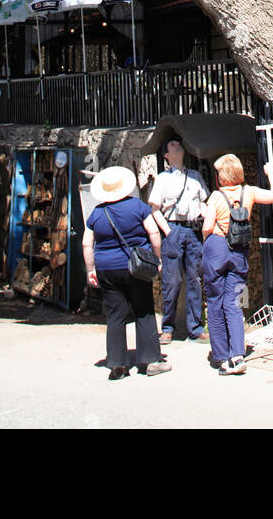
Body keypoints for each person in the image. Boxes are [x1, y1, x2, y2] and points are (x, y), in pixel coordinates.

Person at [82, 166, 171, 380]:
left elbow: (87, 244)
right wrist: (157, 258)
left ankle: (117, 364)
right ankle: (150, 360)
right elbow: (153, 233)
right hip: (135, 267)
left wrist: (90, 270)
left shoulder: (96, 213)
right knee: (144, 310)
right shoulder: (137, 207)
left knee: (115, 315)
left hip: (106, 269)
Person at [200, 153, 273, 376]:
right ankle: (238, 354)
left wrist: (206, 236)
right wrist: (270, 174)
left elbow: (207, 226)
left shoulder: (216, 196)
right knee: (234, 301)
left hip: (216, 246)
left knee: (215, 302)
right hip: (239, 250)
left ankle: (222, 357)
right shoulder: (250, 192)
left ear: (222, 176)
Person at [148, 135, 209, 343]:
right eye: (172, 145)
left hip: (192, 230)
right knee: (172, 280)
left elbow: (203, 202)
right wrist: (168, 232)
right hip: (173, 228)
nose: (178, 145)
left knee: (195, 278)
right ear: (167, 155)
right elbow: (155, 209)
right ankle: (167, 327)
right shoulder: (162, 179)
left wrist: (205, 215)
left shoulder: (195, 176)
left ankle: (196, 328)